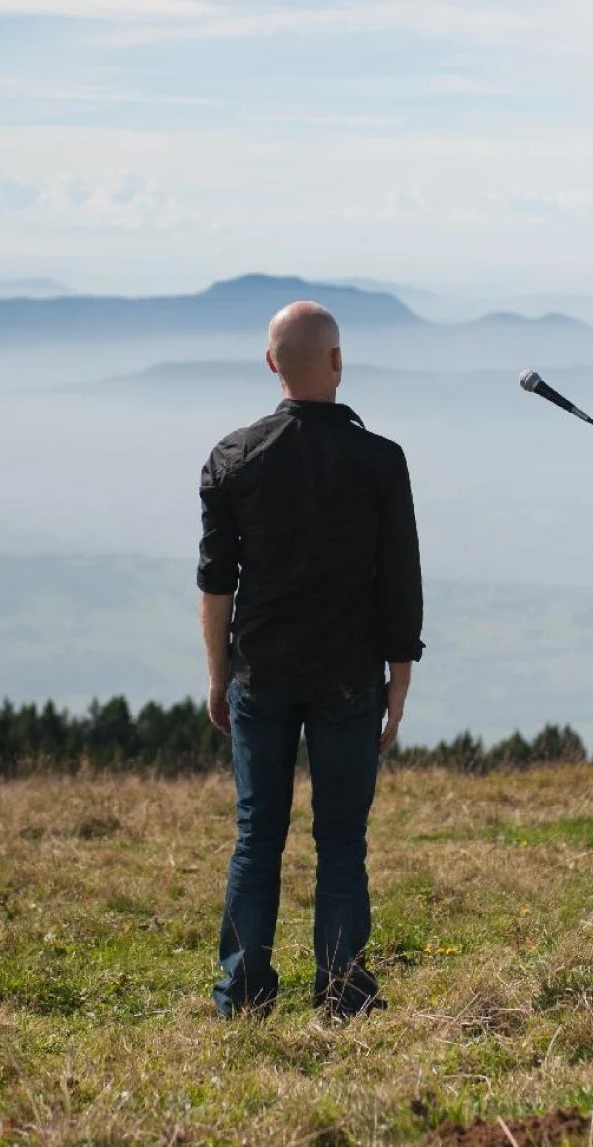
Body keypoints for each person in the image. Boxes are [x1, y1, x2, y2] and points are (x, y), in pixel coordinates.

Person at [197, 300, 424, 1019]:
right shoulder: (381, 461)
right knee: (341, 841)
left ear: (272, 365)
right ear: (336, 362)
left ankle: (243, 993)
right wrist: (399, 680)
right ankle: (342, 992)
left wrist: (216, 674)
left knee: (257, 836)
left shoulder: (231, 457)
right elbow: (401, 581)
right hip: (348, 678)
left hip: (260, 674)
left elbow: (216, 582)